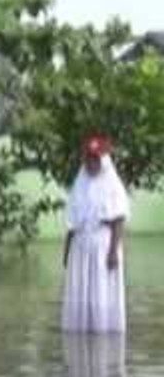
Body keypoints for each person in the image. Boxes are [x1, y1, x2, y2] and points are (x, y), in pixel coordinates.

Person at [62, 134, 130, 333]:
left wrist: (112, 252)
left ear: (103, 160)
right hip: (80, 247)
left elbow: (118, 219)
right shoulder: (80, 183)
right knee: (80, 293)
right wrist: (66, 253)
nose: (92, 163)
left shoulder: (112, 184)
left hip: (103, 246)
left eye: (96, 159)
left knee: (102, 291)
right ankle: (81, 335)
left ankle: (103, 334)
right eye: (89, 158)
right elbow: (71, 224)